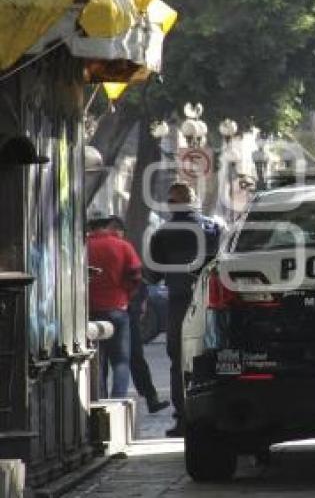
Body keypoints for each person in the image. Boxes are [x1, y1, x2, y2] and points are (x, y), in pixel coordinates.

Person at [147, 182, 221, 437]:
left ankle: (183, 419)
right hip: (210, 301)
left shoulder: (162, 233)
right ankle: (214, 413)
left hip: (178, 302)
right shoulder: (213, 228)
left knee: (178, 360)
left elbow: (153, 275)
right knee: (213, 355)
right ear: (195, 200)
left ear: (170, 204)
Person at [100, 216, 170, 414]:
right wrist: (133, 300)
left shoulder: (108, 247)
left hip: (114, 310)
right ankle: (145, 399)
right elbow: (137, 279)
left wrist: (138, 303)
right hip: (123, 310)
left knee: (121, 359)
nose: (116, 233)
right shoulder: (122, 248)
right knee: (127, 359)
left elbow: (140, 282)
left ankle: (148, 398)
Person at [87, 215, 142, 399]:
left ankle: (99, 397)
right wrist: (126, 293)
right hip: (117, 308)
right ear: (107, 227)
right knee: (120, 360)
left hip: (91, 310)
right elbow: (135, 275)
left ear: (90, 228)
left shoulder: (83, 247)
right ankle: (118, 398)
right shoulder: (122, 245)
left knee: (97, 360)